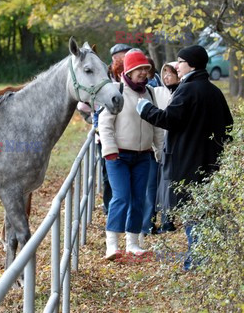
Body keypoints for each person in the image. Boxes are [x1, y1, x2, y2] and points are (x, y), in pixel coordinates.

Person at [136, 45, 233, 270]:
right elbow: (228, 125)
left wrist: (145, 109)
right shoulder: (213, 90)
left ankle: (197, 262)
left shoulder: (187, 89)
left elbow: (170, 119)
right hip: (210, 163)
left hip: (187, 164)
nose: (176, 65)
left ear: (192, 64)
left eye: (180, 61)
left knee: (193, 214)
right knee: (203, 212)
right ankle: (201, 259)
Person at [99, 49, 164, 260]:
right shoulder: (117, 91)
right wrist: (109, 150)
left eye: (146, 69)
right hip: (117, 156)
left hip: (143, 157)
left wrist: (159, 150)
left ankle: (133, 244)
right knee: (121, 197)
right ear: (129, 70)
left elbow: (156, 126)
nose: (143, 73)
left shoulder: (150, 93)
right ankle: (112, 245)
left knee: (139, 199)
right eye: (139, 70)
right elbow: (105, 124)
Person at [141, 61, 179, 241]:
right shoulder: (155, 92)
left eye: (170, 73)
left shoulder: (182, 94)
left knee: (169, 185)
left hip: (175, 148)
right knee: (151, 186)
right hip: (155, 146)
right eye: (164, 73)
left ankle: (167, 220)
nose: (166, 77)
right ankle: (147, 223)